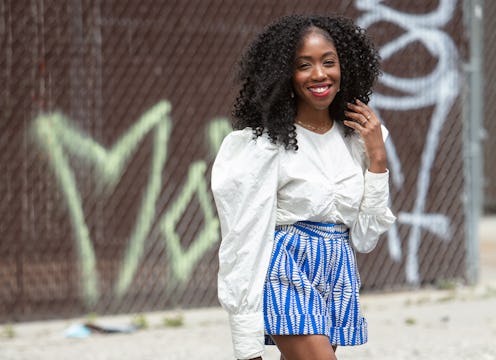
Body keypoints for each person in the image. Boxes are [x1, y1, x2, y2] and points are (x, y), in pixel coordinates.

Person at [211, 14, 396, 360]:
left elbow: (366, 236)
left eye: (329, 62)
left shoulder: (357, 141)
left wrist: (377, 159)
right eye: (304, 65)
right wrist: (246, 341)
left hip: (337, 265)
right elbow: (243, 237)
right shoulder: (263, 147)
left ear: (346, 68)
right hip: (285, 266)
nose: (320, 74)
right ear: (285, 76)